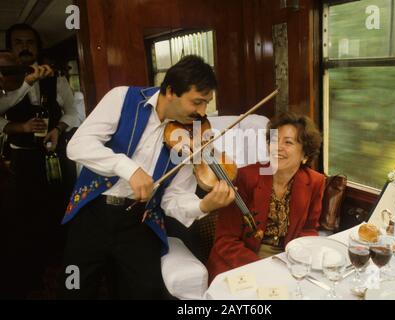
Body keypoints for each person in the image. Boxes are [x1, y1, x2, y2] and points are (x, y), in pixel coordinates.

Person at [59, 55, 235, 299]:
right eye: (197, 102)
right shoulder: (122, 98)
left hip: (139, 220)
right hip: (93, 213)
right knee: (74, 288)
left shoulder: (190, 136)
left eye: (206, 103)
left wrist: (203, 205)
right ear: (171, 91)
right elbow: (77, 145)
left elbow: (173, 197)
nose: (202, 112)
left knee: (146, 292)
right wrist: (128, 168)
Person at [0, 24, 80, 298]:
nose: (25, 47)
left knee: (60, 207)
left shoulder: (56, 79)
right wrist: (26, 87)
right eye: (18, 42)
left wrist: (58, 129)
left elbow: (73, 113)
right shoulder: (4, 82)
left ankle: (61, 269)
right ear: (10, 48)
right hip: (22, 159)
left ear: (37, 47)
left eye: (30, 43)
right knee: (24, 215)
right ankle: (30, 275)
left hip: (55, 153)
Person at [207, 112, 325, 282]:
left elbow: (308, 229)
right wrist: (263, 269)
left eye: (288, 142)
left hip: (287, 260)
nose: (278, 147)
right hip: (240, 261)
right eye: (275, 140)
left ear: (305, 155)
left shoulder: (315, 181)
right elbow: (225, 241)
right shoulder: (245, 177)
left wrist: (299, 261)